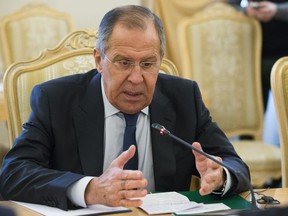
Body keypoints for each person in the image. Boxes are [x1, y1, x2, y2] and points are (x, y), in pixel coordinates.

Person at [0, 5, 250, 211]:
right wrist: (90, 189)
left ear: (160, 61)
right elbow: (13, 173)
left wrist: (220, 176)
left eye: (149, 64)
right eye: (124, 62)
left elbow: (235, 165)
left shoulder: (184, 97)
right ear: (99, 60)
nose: (136, 78)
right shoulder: (55, 99)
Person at [227, 0, 288, 109]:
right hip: (253, 57)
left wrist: (276, 10)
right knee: (256, 110)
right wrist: (246, 11)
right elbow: (229, 5)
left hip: (285, 56)